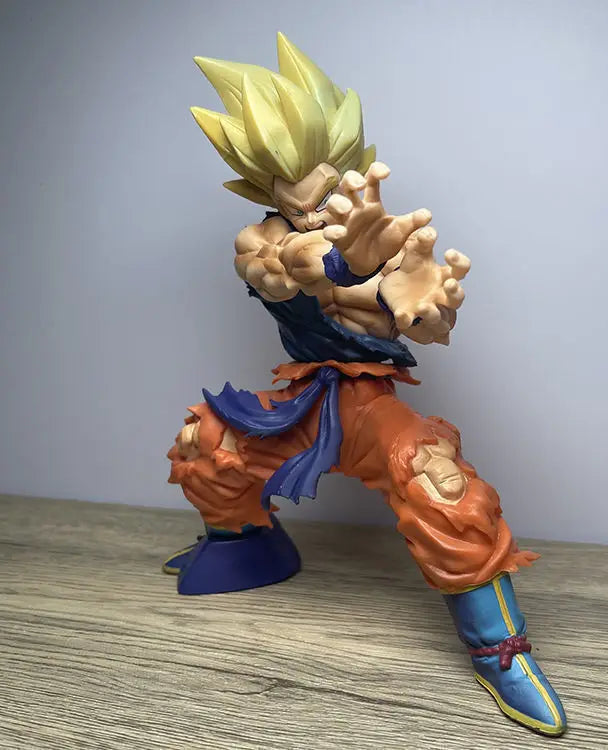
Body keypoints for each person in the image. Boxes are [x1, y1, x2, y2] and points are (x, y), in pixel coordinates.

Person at [164, 33, 567, 736]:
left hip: (369, 408)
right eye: (293, 201)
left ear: (344, 171)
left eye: (323, 196)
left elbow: (417, 313)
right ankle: (246, 545)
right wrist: (345, 270)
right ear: (266, 191)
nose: (311, 212)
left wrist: (417, 302)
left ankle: (500, 652)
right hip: (300, 403)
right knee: (205, 437)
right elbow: (288, 270)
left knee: (441, 482)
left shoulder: (381, 231)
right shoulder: (262, 239)